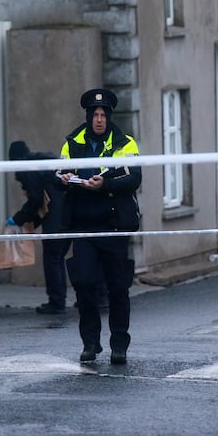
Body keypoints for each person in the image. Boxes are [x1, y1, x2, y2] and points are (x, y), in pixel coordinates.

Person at [58, 88, 141, 365]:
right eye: (95, 114)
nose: (99, 119)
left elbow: (133, 177)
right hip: (84, 225)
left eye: (104, 114)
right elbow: (60, 169)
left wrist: (106, 184)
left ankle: (119, 344)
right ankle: (90, 343)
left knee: (118, 288)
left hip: (114, 225)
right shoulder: (73, 142)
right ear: (88, 117)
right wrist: (66, 177)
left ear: (109, 117)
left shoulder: (124, 142)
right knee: (84, 284)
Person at [7, 140, 72, 314]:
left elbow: (37, 200)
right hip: (69, 216)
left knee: (53, 260)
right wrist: (32, 222)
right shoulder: (44, 163)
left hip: (56, 222)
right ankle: (92, 297)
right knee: (63, 258)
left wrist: (17, 219)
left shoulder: (29, 169)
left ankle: (56, 302)